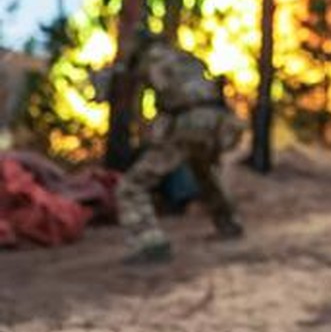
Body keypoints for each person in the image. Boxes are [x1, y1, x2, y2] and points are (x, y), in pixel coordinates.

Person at [96, 28, 246, 264]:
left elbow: (154, 94)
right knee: (203, 171)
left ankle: (150, 242)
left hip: (188, 121)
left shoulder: (151, 59)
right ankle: (229, 223)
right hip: (217, 120)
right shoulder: (183, 57)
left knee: (131, 186)